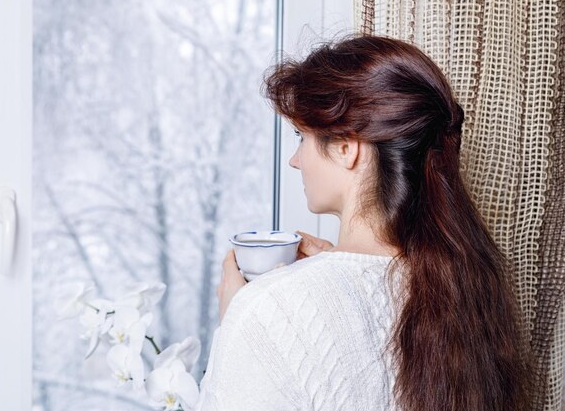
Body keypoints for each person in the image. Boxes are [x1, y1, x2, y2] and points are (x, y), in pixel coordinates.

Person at [194, 35, 532, 411]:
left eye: (300, 137)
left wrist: (238, 317)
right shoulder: (468, 286)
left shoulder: (268, 308)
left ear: (345, 147)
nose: (294, 160)